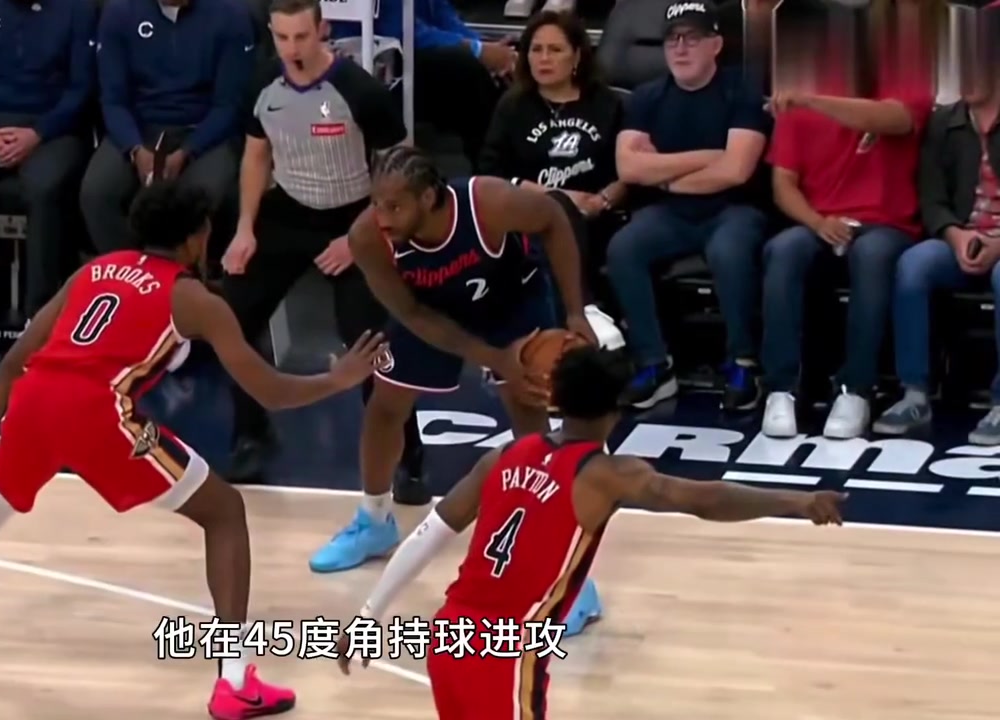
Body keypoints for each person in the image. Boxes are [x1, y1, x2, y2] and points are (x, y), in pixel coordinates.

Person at [0, 181, 385, 720]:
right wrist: (337, 380)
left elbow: (16, 358)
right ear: (196, 237)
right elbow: (268, 390)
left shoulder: (95, 270)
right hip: (98, 414)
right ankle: (234, 681)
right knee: (225, 512)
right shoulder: (195, 301)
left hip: (34, 401)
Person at [334, 339, 846, 719]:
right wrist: (796, 501)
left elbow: (427, 535)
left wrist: (367, 616)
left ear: (555, 398)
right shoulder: (608, 476)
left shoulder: (504, 455)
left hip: (450, 636)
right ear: (615, 411)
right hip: (505, 653)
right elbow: (705, 499)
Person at [312, 144, 600, 631]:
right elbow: (412, 313)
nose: (382, 217)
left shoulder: (488, 203)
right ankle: (374, 520)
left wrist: (575, 311)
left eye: (394, 205)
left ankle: (571, 579)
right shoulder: (368, 237)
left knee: (531, 428)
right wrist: (492, 358)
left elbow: (553, 217)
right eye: (376, 203)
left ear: (428, 198)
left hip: (512, 300)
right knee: (385, 405)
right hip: (435, 312)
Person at [219, 0, 423, 493]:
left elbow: (401, 171)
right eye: (282, 38)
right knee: (231, 317)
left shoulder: (358, 90)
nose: (292, 49)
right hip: (290, 211)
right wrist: (245, 229)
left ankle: (407, 455)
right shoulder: (262, 83)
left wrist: (359, 238)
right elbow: (256, 156)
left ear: (323, 30)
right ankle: (250, 434)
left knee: (367, 339)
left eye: (302, 37)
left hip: (356, 216)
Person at [759, 16, 934, 440]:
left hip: (887, 222)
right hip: (821, 220)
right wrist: (818, 221)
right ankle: (782, 390)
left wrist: (813, 99)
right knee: (783, 250)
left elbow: (894, 119)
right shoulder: (799, 103)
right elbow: (783, 185)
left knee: (871, 255)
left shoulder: (906, 83)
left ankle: (856, 389)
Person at [607, 0, 769, 412]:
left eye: (692, 39)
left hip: (734, 210)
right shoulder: (647, 97)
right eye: (672, 39)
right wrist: (708, 157)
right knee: (624, 247)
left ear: (715, 44)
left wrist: (661, 173)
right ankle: (654, 363)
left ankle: (743, 363)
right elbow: (628, 168)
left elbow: (736, 171)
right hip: (671, 213)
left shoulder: (742, 91)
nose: (680, 48)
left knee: (729, 251)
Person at [0, 0, 96, 366]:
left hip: (53, 129)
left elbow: (81, 88)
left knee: (44, 188)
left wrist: (38, 133)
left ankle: (37, 318)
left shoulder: (78, 10)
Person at [873, 9, 1000, 443]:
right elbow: (931, 198)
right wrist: (955, 234)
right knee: (915, 264)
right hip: (962, 237)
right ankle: (914, 393)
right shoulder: (944, 122)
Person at [479, 10, 628, 311]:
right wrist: (557, 196)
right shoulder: (513, 106)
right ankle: (581, 309)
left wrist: (603, 200)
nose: (544, 59)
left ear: (577, 57)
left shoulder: (607, 104)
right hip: (527, 214)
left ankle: (577, 312)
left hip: (598, 217)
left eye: (555, 49)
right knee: (559, 213)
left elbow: (629, 172)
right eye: (536, 49)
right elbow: (490, 173)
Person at [80, 0, 253, 253]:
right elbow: (113, 100)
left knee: (194, 199)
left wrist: (188, 151)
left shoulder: (231, 14)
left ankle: (184, 275)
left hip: (204, 132)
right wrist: (134, 148)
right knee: (97, 192)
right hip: (138, 128)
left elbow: (228, 105)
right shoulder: (119, 11)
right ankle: (130, 270)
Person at [328, 0, 515, 168]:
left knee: (516, 56)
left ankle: (516, 172)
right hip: (375, 61)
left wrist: (485, 46)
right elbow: (402, 31)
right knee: (465, 70)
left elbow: (441, 14)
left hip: (410, 50)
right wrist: (479, 51)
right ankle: (490, 173)